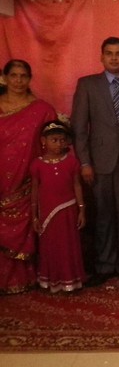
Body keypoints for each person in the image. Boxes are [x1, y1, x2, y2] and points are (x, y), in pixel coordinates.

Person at [71, 36, 119, 287]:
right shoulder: (87, 85)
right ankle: (104, 265)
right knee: (103, 216)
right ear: (102, 57)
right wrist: (84, 162)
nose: (114, 58)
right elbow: (79, 128)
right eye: (109, 53)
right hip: (99, 162)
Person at [0, 59, 57, 294]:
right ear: (4, 78)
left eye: (23, 76)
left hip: (26, 179)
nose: (18, 80)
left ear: (30, 79)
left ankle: (22, 278)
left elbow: (52, 146)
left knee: (25, 226)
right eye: (13, 75)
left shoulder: (42, 110)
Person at [30, 121, 86, 293]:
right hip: (47, 212)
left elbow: (77, 185)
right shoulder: (37, 164)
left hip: (68, 210)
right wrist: (34, 216)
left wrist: (82, 209)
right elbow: (35, 190)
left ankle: (70, 281)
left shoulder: (71, 162)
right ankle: (52, 280)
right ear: (43, 141)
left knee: (68, 245)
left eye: (62, 140)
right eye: (54, 140)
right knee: (51, 246)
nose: (59, 144)